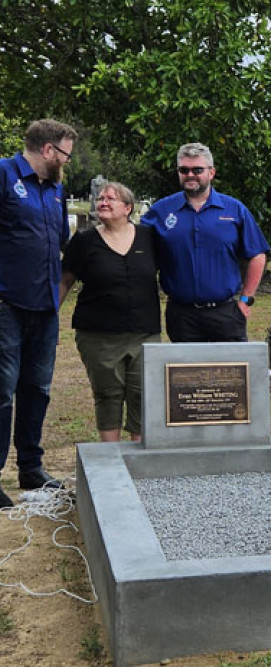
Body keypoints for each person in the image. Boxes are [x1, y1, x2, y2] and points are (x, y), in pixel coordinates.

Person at [0, 118, 78, 507]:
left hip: (45, 306)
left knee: (37, 389)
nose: (68, 161)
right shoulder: (3, 174)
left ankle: (31, 467)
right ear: (49, 150)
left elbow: (60, 242)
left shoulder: (56, 188)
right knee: (2, 391)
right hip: (6, 304)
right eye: (66, 153)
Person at [60, 182, 161, 442]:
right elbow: (64, 281)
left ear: (128, 208)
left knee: (143, 395)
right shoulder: (84, 241)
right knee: (107, 395)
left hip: (143, 333)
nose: (102, 202)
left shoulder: (149, 238)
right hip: (98, 335)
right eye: (100, 198)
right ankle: (110, 459)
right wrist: (48, 317)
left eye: (110, 199)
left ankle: (138, 458)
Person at [140, 143, 269, 342]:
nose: (190, 175)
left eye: (197, 170)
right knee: (186, 373)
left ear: (211, 172)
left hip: (225, 313)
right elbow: (135, 245)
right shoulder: (161, 211)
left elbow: (257, 254)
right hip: (181, 315)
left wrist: (245, 300)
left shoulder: (234, 210)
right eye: (184, 170)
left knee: (229, 372)